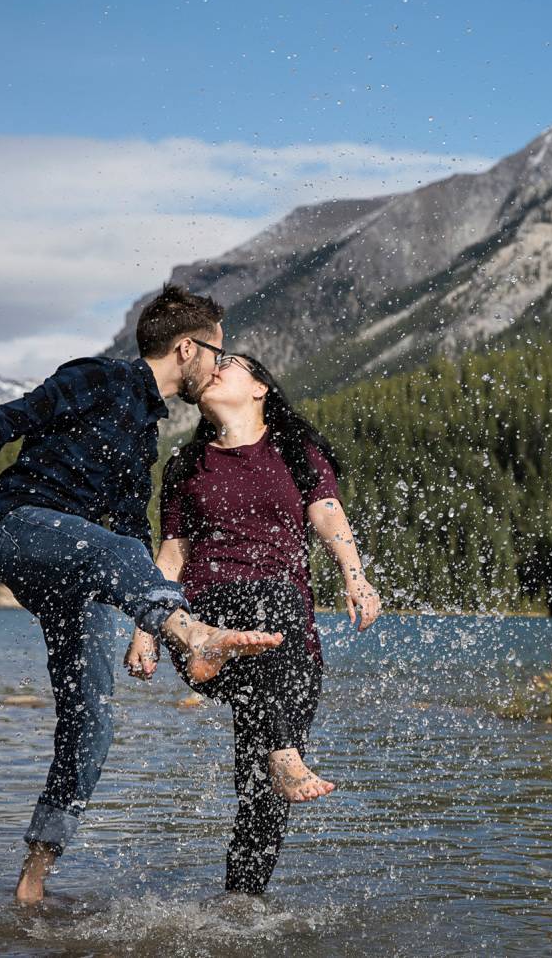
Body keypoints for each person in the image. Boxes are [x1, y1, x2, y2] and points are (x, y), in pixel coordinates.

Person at [0, 284, 284, 905]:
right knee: (116, 549)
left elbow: (133, 532)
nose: (219, 364)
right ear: (187, 348)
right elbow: (6, 421)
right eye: (217, 351)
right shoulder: (96, 377)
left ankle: (33, 878)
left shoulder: (148, 433)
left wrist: (141, 628)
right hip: (26, 530)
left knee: (91, 720)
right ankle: (194, 633)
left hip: (92, 573)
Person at [124, 351, 381, 895]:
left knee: (261, 795)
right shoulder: (187, 466)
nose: (216, 367)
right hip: (208, 620)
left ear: (261, 387)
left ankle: (242, 907)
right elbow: (172, 555)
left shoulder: (295, 450)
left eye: (233, 362)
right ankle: (272, 737)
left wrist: (355, 578)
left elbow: (328, 514)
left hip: (289, 640)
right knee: (270, 602)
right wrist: (146, 626)